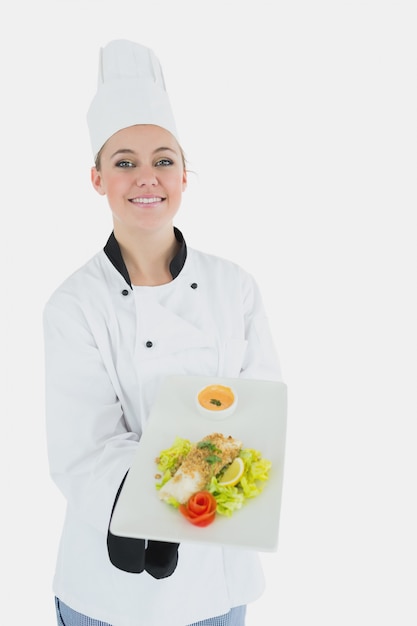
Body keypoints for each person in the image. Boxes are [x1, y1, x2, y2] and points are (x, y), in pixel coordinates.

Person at [43, 39, 283, 626]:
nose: (146, 178)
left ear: (184, 175)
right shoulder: (75, 305)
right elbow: (87, 451)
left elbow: (259, 416)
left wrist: (184, 490)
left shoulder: (235, 287)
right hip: (112, 584)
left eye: (163, 160)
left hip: (215, 586)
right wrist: (164, 504)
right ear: (97, 179)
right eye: (124, 162)